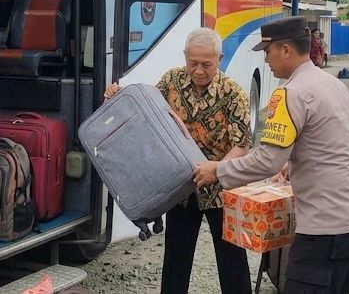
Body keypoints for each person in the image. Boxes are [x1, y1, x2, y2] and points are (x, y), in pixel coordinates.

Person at [193, 16, 349, 294]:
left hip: (323, 231)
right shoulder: (334, 84)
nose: (266, 60)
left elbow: (267, 160)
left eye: (267, 51)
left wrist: (217, 170)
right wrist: (299, 158)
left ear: (286, 50)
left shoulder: (289, 93)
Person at [103, 28, 252, 294]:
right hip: (181, 188)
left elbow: (242, 145)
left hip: (222, 190)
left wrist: (216, 170)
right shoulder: (171, 80)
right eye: (192, 63)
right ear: (185, 56)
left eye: (206, 64)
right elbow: (146, 110)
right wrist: (117, 96)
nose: (198, 70)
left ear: (219, 58)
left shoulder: (234, 94)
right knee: (176, 261)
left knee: (232, 263)